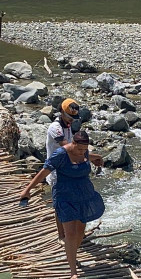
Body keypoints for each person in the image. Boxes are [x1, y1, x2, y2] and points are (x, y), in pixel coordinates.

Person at [19, 131, 105, 279]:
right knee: (70, 234)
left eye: (85, 149)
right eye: (79, 149)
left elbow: (89, 156)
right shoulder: (60, 154)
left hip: (83, 195)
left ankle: (72, 254)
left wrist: (98, 158)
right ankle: (73, 272)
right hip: (65, 196)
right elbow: (43, 172)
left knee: (80, 232)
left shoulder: (84, 152)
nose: (82, 152)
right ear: (73, 143)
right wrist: (28, 189)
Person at [46, 98, 82, 242]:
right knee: (60, 204)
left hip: (68, 169)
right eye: (69, 117)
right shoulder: (55, 128)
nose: (71, 120)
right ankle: (61, 235)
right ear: (61, 112)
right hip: (56, 171)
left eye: (73, 118)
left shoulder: (67, 125)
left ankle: (72, 231)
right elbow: (67, 147)